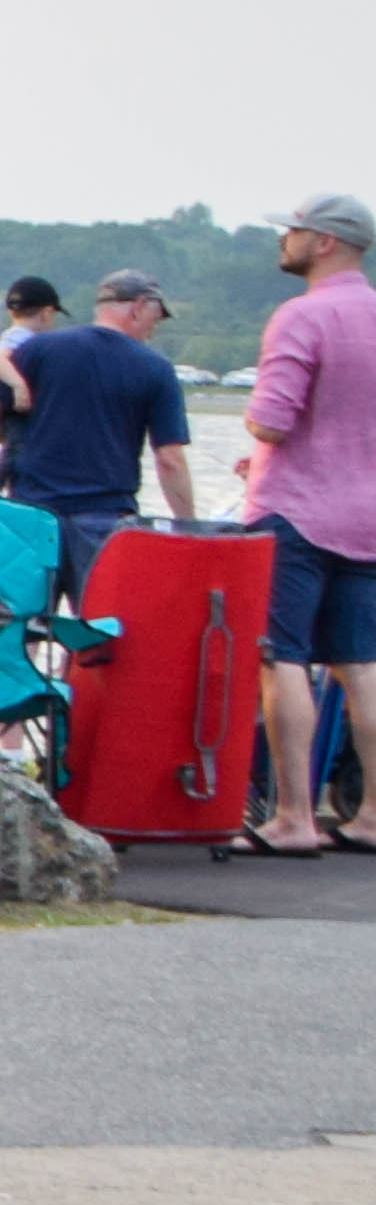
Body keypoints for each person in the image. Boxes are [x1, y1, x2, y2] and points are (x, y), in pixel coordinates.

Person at [244, 192, 376, 856]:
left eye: (293, 230)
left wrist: (256, 436)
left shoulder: (303, 315)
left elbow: (273, 419)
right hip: (368, 516)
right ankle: (372, 815)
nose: (284, 240)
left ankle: (294, 816)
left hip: (295, 512)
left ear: (323, 242)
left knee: (283, 657)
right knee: (362, 664)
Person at [0, 270, 188, 602]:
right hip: (104, 521)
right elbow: (169, 459)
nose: (156, 327)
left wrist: (37, 440)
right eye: (158, 315)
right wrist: (188, 526)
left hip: (28, 514)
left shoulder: (38, 349)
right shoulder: (155, 368)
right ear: (139, 306)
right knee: (100, 637)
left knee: (12, 634)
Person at [0, 273, 69, 432]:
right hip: (12, 407)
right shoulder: (20, 336)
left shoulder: (16, 334)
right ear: (47, 313)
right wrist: (19, 386)